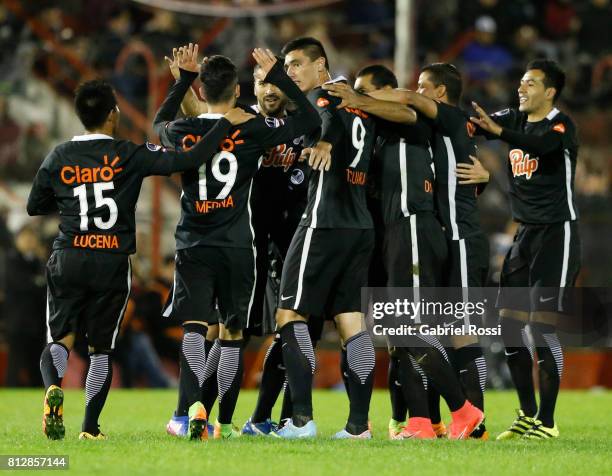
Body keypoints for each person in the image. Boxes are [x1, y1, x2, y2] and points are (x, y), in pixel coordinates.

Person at [28, 71, 254, 440]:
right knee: (101, 350)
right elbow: (188, 158)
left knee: (60, 339)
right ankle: (90, 427)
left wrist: (71, 197)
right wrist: (224, 123)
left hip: (69, 254)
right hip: (112, 260)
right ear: (113, 114)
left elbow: (35, 205)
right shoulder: (129, 154)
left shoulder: (59, 156)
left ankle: (54, 387)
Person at [154, 45, 321, 440]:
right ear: (238, 89)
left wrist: (181, 83)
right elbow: (310, 118)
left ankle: (185, 413)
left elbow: (161, 121)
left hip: (193, 243)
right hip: (238, 246)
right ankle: (224, 424)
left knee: (196, 329)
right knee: (232, 334)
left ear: (204, 91)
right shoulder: (251, 129)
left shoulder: (183, 131)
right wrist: (280, 76)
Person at [325, 64, 489, 440]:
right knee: (403, 335)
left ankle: (464, 411)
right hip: (395, 235)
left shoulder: (410, 120)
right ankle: (420, 422)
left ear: (385, 91)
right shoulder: (381, 130)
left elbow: (408, 108)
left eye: (369, 93)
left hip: (415, 225)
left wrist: (355, 98)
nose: (362, 102)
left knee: (417, 329)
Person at [272, 37, 377, 440]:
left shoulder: (325, 97)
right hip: (359, 225)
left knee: (290, 315)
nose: (293, 72)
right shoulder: (360, 106)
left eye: (298, 64)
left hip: (323, 222)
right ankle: (357, 427)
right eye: (288, 66)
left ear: (322, 66)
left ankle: (300, 421)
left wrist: (324, 142)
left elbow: (327, 122)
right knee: (351, 322)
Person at [470, 59, 580, 439]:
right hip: (524, 236)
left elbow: (539, 145)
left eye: (530, 83)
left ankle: (548, 423)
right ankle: (528, 415)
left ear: (549, 92)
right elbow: (476, 124)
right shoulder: (512, 119)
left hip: (556, 235)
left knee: (541, 327)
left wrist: (499, 130)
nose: (521, 88)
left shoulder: (560, 126)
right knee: (510, 326)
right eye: (520, 82)